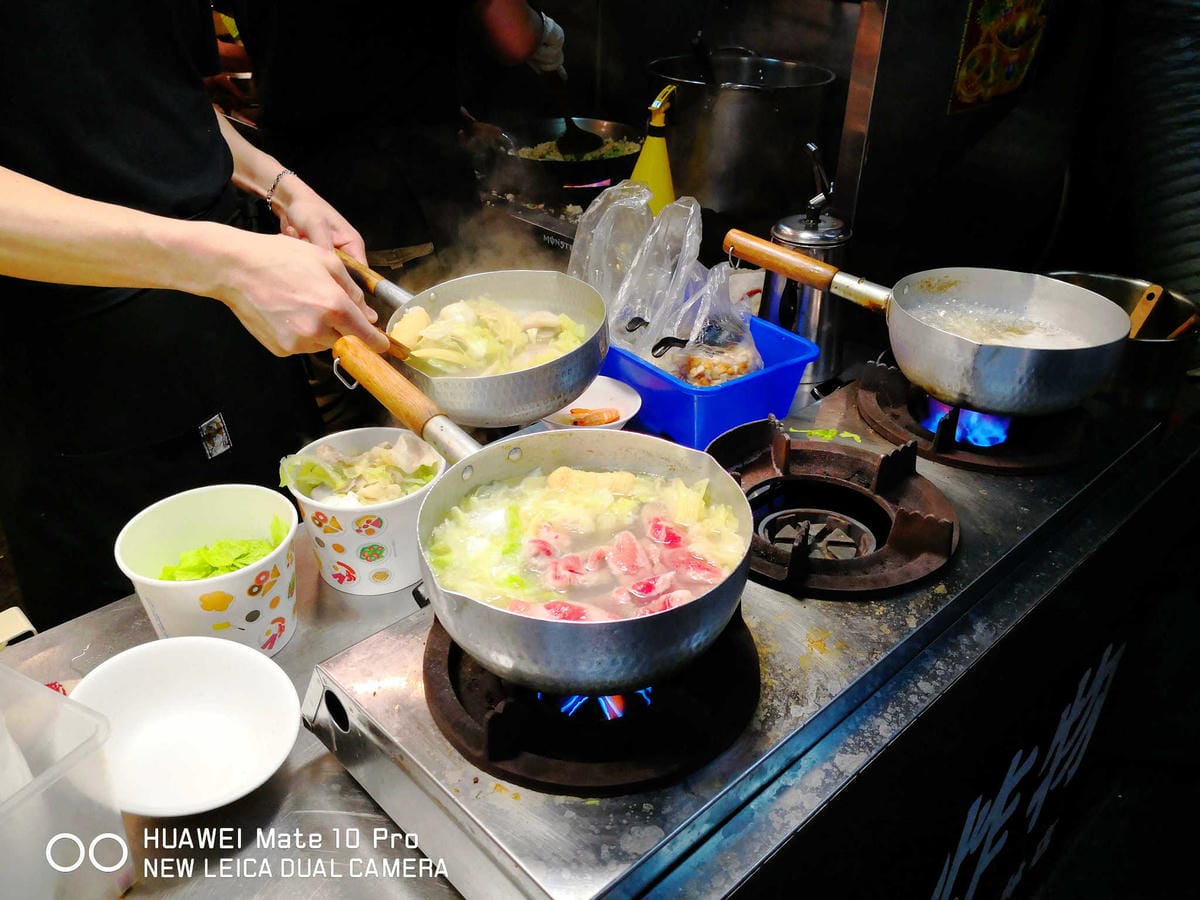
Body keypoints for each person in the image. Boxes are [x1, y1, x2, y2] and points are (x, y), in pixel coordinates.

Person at [0, 2, 391, 631]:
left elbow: (155, 97)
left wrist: (283, 186)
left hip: (235, 322)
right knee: (152, 644)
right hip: (78, 367)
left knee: (302, 598)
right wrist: (225, 264)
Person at [211, 1, 568, 430]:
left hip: (302, 197)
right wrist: (542, 30)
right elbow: (512, 35)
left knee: (339, 379)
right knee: (441, 392)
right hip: (403, 191)